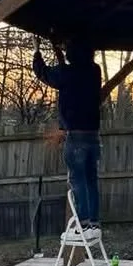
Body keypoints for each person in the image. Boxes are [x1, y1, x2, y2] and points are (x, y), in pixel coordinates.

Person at [32, 36, 103, 239]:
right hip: (92, 136)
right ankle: (94, 225)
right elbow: (71, 68)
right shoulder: (94, 71)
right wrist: (61, 51)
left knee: (78, 180)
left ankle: (83, 225)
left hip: (76, 136)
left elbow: (44, 73)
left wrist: (37, 52)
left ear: (71, 53)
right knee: (90, 180)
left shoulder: (67, 73)